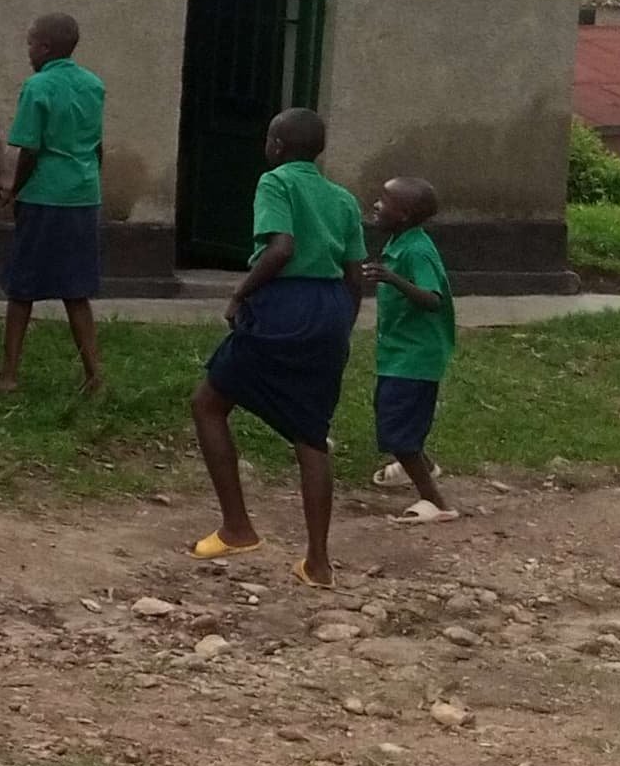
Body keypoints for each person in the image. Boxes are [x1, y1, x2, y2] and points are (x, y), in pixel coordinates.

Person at [189, 106, 361, 587]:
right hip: (330, 310)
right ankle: (319, 564)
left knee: (208, 403)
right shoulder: (343, 198)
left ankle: (237, 527)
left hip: (284, 304)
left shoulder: (276, 182)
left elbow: (281, 247)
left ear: (277, 146)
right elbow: (353, 277)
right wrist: (341, 326)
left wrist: (240, 292)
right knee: (311, 435)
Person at [0, 13, 108, 401]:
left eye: (29, 44)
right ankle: (94, 376)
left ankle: (8, 373)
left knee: (22, 287)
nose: (27, 52)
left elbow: (31, 149)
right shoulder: (93, 84)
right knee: (76, 290)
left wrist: (13, 188)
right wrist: (89, 178)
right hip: (83, 193)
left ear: (43, 48)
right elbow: (98, 145)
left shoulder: (37, 87)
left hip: (45, 195)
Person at [363, 175, 459, 523]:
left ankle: (437, 504)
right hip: (400, 353)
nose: (375, 204)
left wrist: (393, 279)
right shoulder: (401, 242)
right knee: (393, 416)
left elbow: (432, 299)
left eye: (384, 201)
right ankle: (424, 467)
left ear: (402, 214)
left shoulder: (416, 251)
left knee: (397, 432)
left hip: (415, 357)